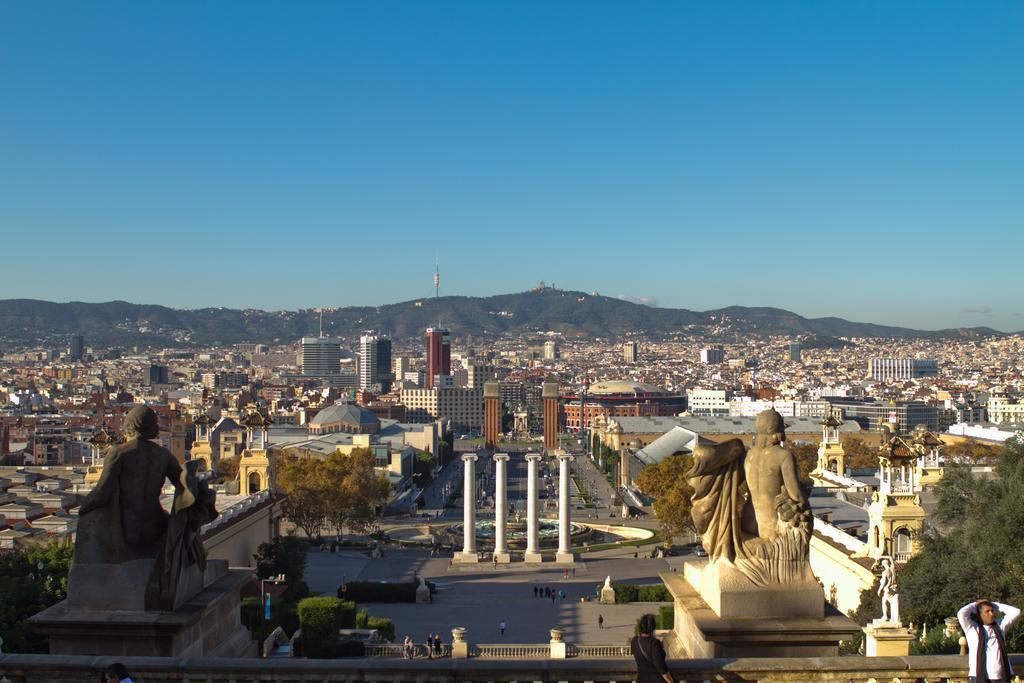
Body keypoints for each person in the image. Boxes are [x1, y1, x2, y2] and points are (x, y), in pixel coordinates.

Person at [958, 599, 1020, 683]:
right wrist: (976, 604)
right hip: (978, 675)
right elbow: (961, 613)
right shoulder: (972, 628)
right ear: (979, 614)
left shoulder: (1000, 626)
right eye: (987, 611)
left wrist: (993, 604)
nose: (991, 614)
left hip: (1001, 676)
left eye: (992, 611)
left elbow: (1016, 612)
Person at [631, 614, 673, 683]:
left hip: (641, 680)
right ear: (652, 628)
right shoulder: (654, 643)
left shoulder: (634, 641)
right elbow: (661, 667)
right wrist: (670, 681)